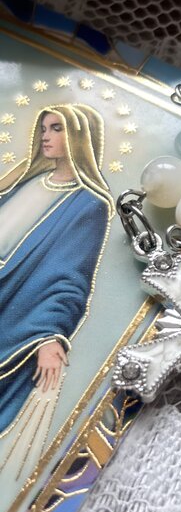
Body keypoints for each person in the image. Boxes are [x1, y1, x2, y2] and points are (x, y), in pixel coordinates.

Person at [0, 104, 114, 478]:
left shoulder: (87, 205)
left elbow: (70, 277)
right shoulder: (24, 182)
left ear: (80, 137)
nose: (46, 136)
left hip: (10, 308)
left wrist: (51, 334)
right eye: (44, 128)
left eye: (57, 128)